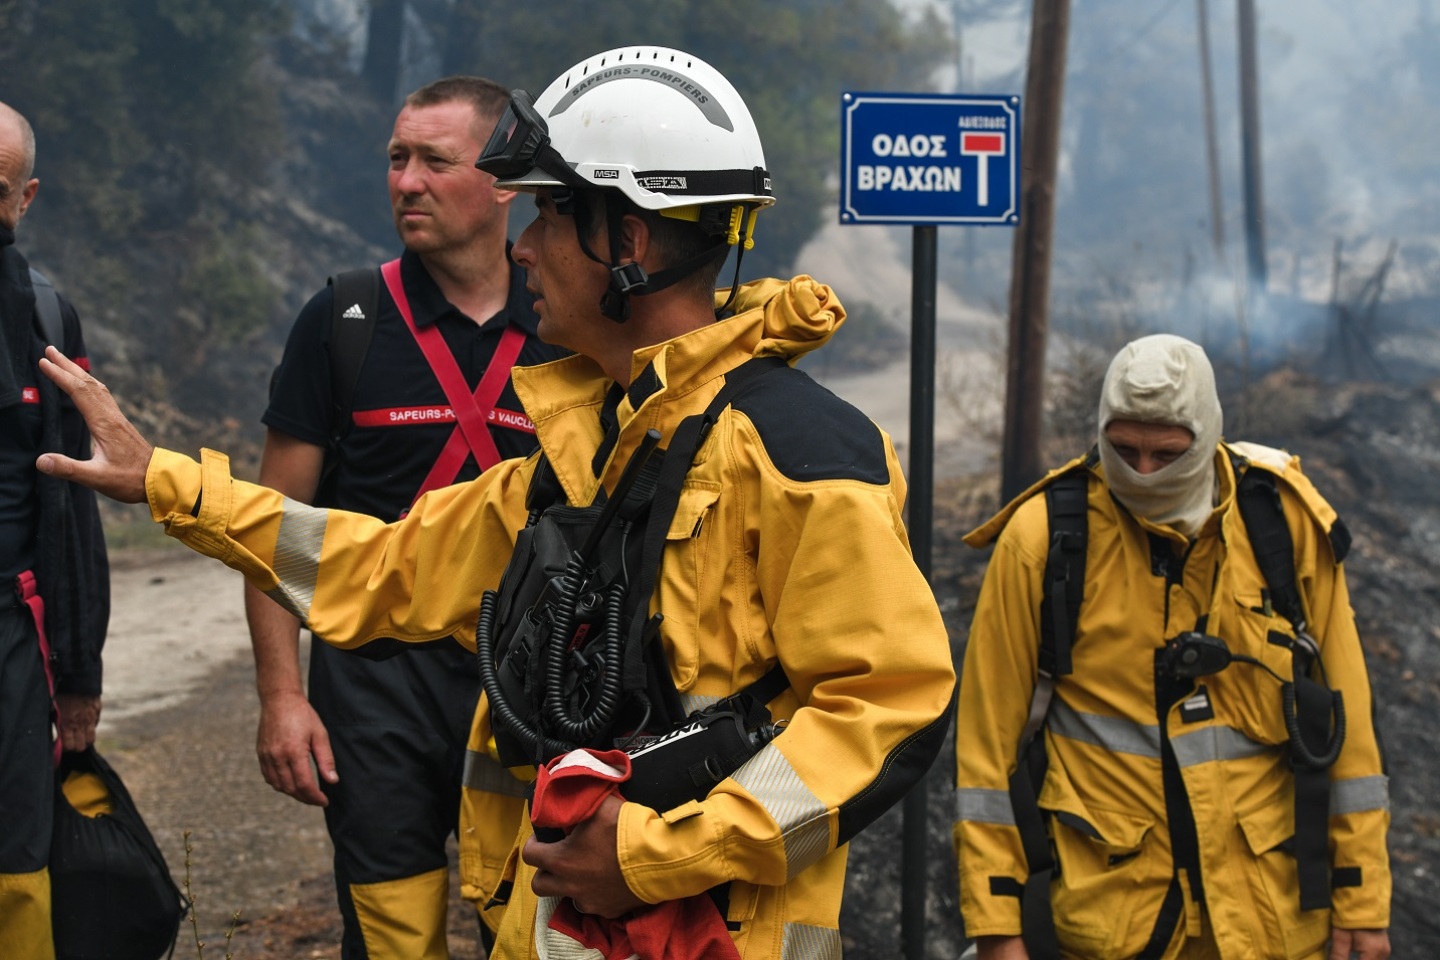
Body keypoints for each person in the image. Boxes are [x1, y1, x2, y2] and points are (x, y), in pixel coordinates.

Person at [36, 45, 957, 960]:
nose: (522, 245)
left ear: (624, 242)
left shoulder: (803, 451)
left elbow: (892, 708)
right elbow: (377, 568)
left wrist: (654, 855)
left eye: (550, 213)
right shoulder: (584, 451)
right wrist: (168, 481)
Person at [246, 76, 565, 959]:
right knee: (393, 937)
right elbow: (275, 529)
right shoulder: (341, 318)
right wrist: (281, 696)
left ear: (505, 183)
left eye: (435, 160)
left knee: (539, 933)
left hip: (533, 692)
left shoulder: (568, 323)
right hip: (372, 690)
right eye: (396, 159)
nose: (406, 182)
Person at [953, 334, 1390, 960]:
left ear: (1207, 433)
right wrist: (997, 928)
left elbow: (1350, 734)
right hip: (1113, 917)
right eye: (1124, 451)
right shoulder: (1044, 538)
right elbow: (984, 753)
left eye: (1166, 453)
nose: (1143, 472)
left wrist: (1362, 899)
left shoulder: (1283, 521)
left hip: (1268, 917)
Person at [0, 101, 109, 957]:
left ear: (26, 198)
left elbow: (71, 503)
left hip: (12, 629)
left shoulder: (45, 316)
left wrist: (80, 671)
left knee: (17, 852)